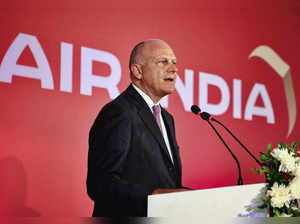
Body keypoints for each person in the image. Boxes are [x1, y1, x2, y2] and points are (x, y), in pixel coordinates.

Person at [87, 39, 188, 217]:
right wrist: (154, 195)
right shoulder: (119, 112)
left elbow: (168, 182)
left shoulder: (166, 118)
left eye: (174, 62)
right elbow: (100, 184)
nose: (173, 69)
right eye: (162, 61)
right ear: (138, 71)